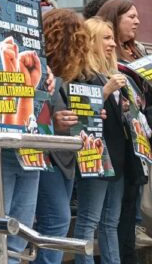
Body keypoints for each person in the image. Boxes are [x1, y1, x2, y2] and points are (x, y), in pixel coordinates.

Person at [73, 17, 139, 264]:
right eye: (106, 38)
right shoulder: (81, 75)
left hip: (117, 155)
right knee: (89, 221)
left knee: (111, 222)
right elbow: (79, 117)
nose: (112, 44)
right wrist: (106, 91)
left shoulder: (109, 73)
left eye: (112, 38)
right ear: (90, 42)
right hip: (95, 157)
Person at [33, 9, 93, 264]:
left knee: (57, 221)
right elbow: (33, 112)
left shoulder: (67, 74)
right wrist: (54, 122)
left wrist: (92, 118)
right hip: (44, 155)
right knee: (56, 221)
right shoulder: (40, 68)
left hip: (61, 155)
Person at [97, 0, 150, 264]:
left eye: (138, 17)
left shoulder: (139, 51)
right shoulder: (104, 59)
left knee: (130, 210)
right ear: (114, 19)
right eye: (131, 17)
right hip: (119, 141)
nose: (137, 22)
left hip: (141, 140)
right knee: (115, 216)